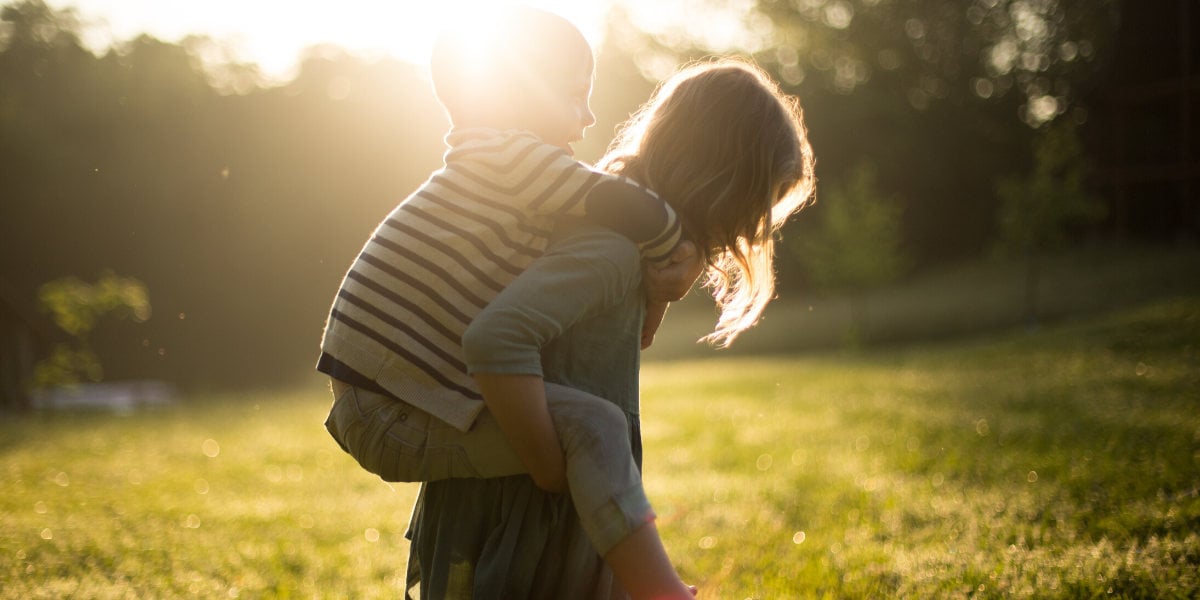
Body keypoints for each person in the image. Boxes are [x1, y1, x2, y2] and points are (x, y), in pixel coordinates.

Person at [318, 6, 702, 598]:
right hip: (389, 409)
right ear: (523, 93)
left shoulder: (494, 167)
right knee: (594, 426)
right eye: (577, 96)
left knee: (581, 426)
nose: (590, 115)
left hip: (383, 400)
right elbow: (622, 204)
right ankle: (659, 591)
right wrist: (677, 246)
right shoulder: (511, 159)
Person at [406, 58, 816, 599]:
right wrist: (551, 467)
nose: (750, 226)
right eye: (755, 204)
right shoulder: (611, 250)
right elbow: (497, 337)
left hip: (557, 496)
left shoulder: (624, 244)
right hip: (528, 502)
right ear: (720, 181)